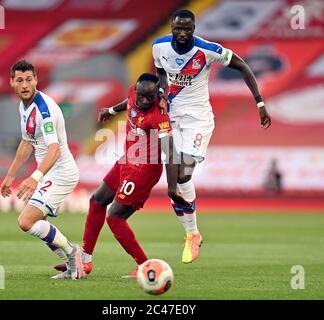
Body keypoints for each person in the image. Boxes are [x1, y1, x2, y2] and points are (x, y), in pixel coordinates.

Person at [97, 9, 272, 264]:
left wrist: (259, 103)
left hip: (198, 120)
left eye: (187, 29)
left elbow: (243, 66)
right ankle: (192, 234)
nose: (182, 33)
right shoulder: (159, 47)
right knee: (177, 180)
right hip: (171, 117)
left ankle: (188, 222)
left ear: (193, 28)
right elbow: (159, 76)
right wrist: (152, 98)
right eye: (178, 28)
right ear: (171, 27)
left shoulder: (207, 50)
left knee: (183, 175)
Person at [55, 73, 189, 278]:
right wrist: (110, 110)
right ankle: (86, 260)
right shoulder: (133, 94)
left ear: (156, 96)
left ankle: (145, 266)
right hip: (127, 161)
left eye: (150, 98)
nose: (144, 101)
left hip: (145, 169)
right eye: (141, 96)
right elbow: (129, 103)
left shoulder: (159, 116)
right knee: (97, 201)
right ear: (136, 91)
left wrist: (172, 188)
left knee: (115, 217)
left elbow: (170, 153)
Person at [1, 60, 84, 280]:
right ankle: (72, 261)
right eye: (20, 80)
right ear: (12, 83)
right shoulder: (24, 106)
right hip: (50, 172)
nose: (25, 84)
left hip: (61, 172)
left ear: (36, 80)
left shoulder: (44, 110)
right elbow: (27, 141)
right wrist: (10, 174)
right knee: (37, 223)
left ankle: (72, 253)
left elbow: (54, 150)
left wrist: (35, 177)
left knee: (26, 222)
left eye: (29, 79)